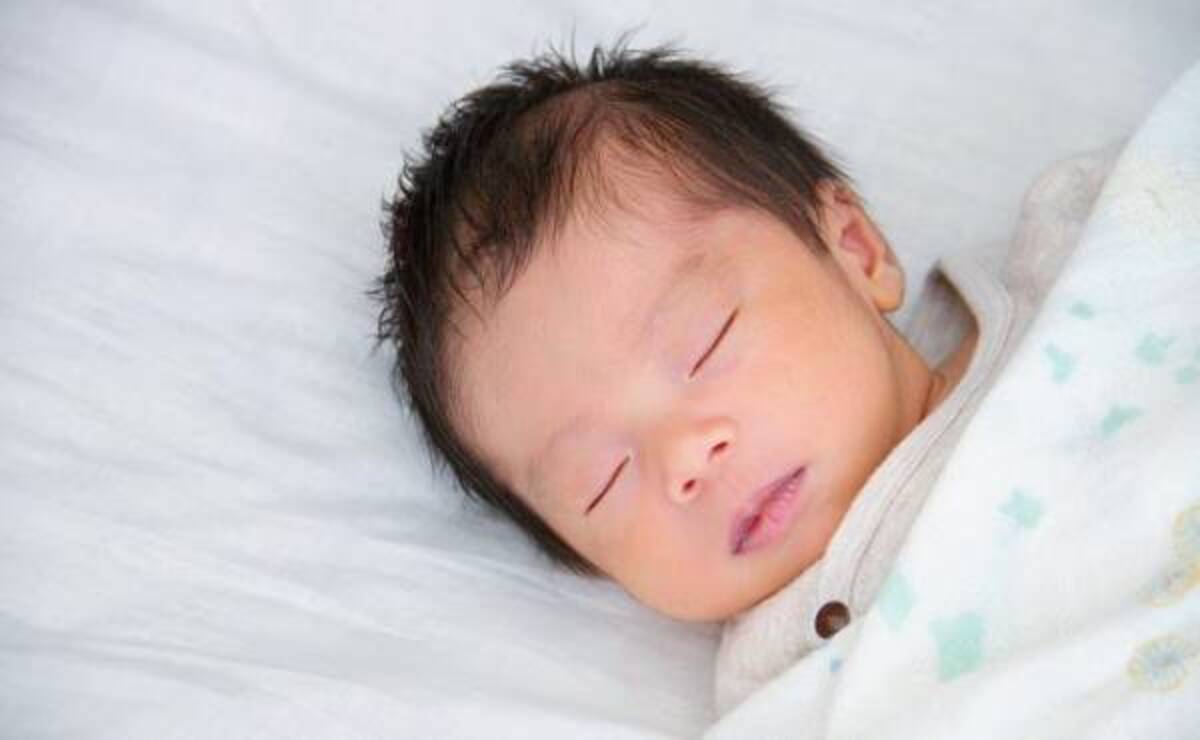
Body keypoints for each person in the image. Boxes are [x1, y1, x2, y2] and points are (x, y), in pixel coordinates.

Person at [370, 38, 1111, 712]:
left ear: (854, 248)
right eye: (603, 481)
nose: (685, 458)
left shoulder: (1080, 250)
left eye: (705, 343)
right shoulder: (794, 691)